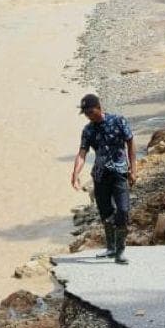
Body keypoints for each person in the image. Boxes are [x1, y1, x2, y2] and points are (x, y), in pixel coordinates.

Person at [71, 94, 136, 265]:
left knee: (123, 210)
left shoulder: (118, 121)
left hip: (120, 173)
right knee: (106, 213)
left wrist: (133, 169)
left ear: (99, 107)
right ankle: (111, 247)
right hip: (100, 176)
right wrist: (75, 173)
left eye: (91, 112)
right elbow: (82, 153)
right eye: (86, 113)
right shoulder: (88, 130)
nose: (89, 116)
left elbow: (130, 142)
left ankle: (120, 250)